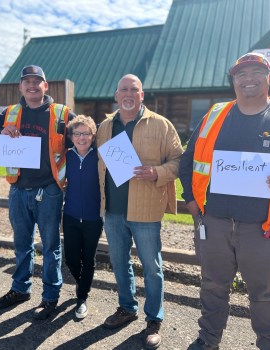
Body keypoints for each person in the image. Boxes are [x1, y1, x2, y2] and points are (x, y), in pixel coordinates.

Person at [179, 53, 270, 350]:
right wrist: (191, 200)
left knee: (265, 293)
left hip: (264, 227)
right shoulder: (215, 115)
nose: (248, 79)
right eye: (241, 74)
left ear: (269, 77)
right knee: (213, 287)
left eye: (257, 72)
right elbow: (188, 160)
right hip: (214, 223)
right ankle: (207, 341)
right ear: (234, 80)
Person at [0, 65, 75, 320]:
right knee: (22, 244)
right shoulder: (9, 113)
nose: (32, 86)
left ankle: (50, 296)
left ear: (46, 86)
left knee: (51, 246)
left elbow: (85, 138)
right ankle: (20, 289)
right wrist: (1, 132)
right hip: (19, 191)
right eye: (27, 82)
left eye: (37, 81)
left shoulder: (62, 114)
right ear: (21, 87)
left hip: (50, 192)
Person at [96, 74, 183, 349]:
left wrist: (157, 172)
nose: (129, 93)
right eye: (124, 89)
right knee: (119, 262)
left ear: (142, 95)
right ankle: (126, 307)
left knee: (152, 267)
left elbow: (180, 160)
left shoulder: (161, 124)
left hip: (146, 208)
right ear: (116, 94)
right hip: (113, 209)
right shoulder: (105, 126)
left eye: (134, 89)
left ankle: (154, 319)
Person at [63, 115, 103, 319]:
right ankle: (82, 283)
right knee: (70, 258)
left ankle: (82, 297)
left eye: (86, 133)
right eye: (77, 133)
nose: (81, 138)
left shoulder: (101, 157)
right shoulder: (65, 156)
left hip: (93, 218)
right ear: (70, 137)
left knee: (88, 258)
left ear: (93, 136)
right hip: (69, 215)